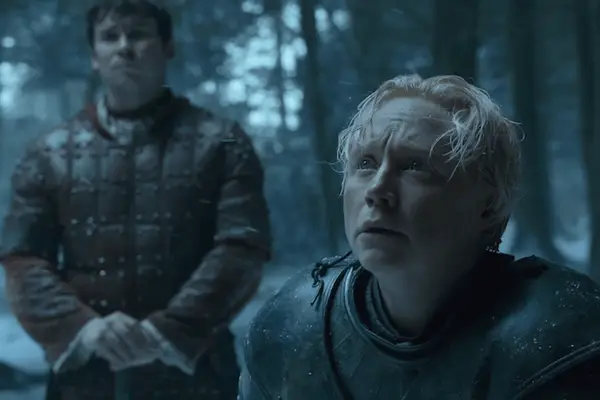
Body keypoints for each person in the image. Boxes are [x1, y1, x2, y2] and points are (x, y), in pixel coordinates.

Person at [238, 74, 600, 399]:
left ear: (488, 204)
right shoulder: (293, 327)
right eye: (365, 164)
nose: (377, 190)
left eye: (414, 166)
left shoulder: (558, 334)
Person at [0, 1, 271, 399]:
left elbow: (242, 247)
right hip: (85, 379)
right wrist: (84, 328)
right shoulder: (49, 153)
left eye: (138, 34)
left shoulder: (223, 144)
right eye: (110, 37)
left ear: (168, 47)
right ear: (94, 56)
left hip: (196, 376)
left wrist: (167, 330)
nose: (124, 47)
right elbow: (23, 261)